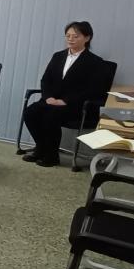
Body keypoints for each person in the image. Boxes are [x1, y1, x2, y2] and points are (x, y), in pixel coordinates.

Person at [23, 21, 106, 168]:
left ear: (87, 38)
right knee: (30, 112)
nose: (70, 39)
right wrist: (48, 97)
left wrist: (65, 101)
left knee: (50, 116)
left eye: (75, 36)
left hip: (75, 105)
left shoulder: (95, 62)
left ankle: (51, 156)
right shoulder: (58, 56)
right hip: (51, 100)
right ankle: (41, 148)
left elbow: (93, 90)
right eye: (68, 36)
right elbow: (45, 80)